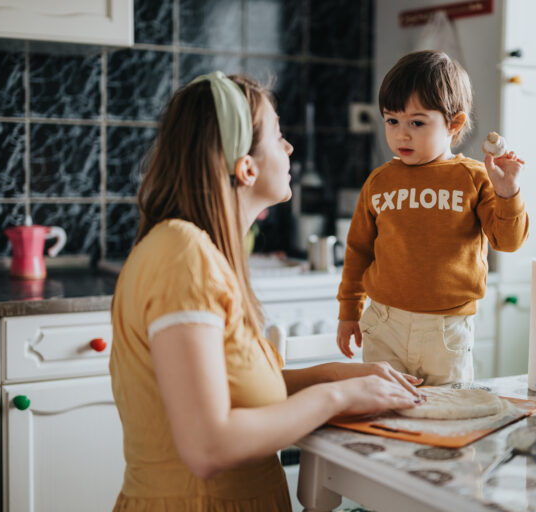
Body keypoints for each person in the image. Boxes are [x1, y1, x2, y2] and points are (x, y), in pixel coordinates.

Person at [109, 71, 424, 512]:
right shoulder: (182, 255)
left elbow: (239, 393)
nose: (290, 148)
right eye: (278, 135)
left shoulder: (201, 252)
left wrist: (333, 375)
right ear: (246, 166)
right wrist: (336, 397)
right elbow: (208, 446)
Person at [336, 50, 530, 386]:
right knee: (382, 412)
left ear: (454, 123)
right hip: (384, 323)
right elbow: (358, 251)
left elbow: (508, 242)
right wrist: (348, 311)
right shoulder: (379, 182)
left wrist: (508, 192)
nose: (401, 134)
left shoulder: (475, 178)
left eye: (416, 122)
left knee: (444, 418)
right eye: (392, 120)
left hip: (447, 330)